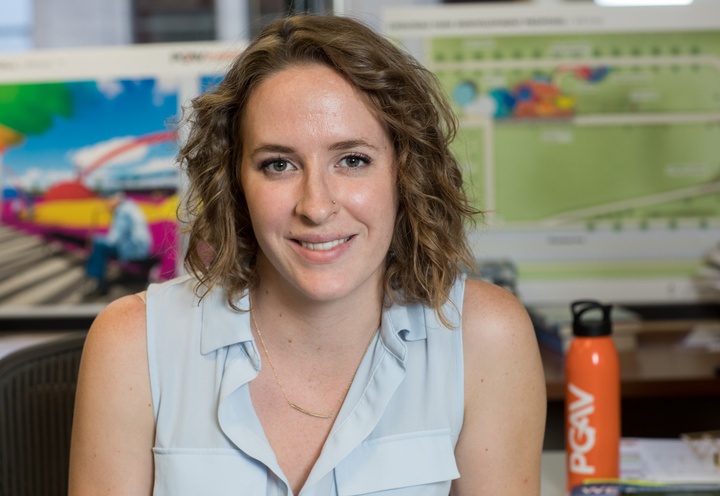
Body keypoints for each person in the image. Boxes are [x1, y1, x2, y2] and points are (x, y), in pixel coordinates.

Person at [68, 14, 546, 496]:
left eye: (353, 160)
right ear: (235, 183)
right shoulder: (132, 345)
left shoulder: (485, 339)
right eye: (278, 164)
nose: (316, 206)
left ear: (406, 173)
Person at [84, 191, 152, 295]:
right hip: (139, 246)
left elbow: (113, 240)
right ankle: (96, 278)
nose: (106, 203)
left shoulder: (123, 211)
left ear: (116, 198)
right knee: (99, 244)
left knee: (98, 245)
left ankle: (98, 282)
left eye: (107, 200)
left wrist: (95, 238)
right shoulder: (129, 206)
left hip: (135, 248)